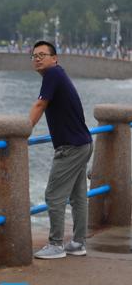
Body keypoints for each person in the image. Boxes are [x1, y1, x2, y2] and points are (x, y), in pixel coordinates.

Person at [28, 41, 93, 259]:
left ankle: (56, 245)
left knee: (53, 195)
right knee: (77, 196)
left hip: (71, 147)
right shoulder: (59, 75)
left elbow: (40, 105)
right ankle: (78, 243)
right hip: (83, 143)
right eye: (34, 55)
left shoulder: (53, 75)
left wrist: (24, 129)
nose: (37, 58)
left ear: (54, 58)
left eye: (42, 54)